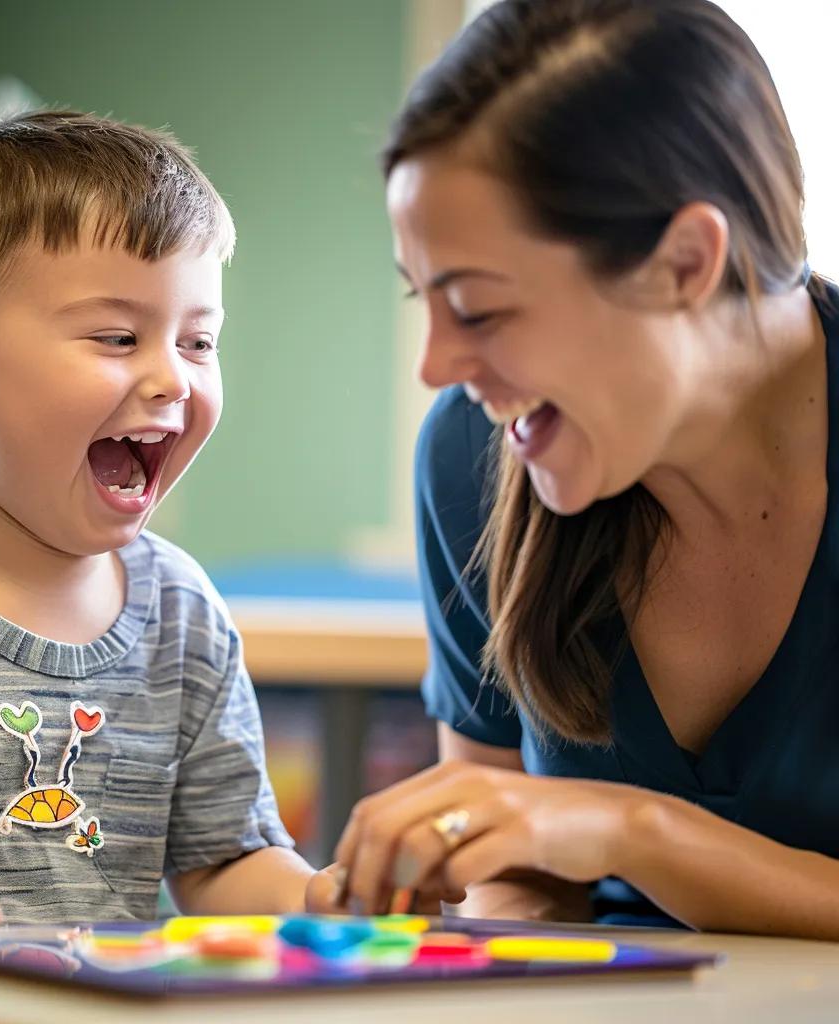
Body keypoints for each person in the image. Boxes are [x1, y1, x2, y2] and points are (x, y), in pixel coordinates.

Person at [333, 0, 839, 938]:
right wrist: (475, 908)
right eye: (423, 301)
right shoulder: (471, 453)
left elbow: (597, 830)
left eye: (479, 309)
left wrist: (631, 831)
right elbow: (518, 881)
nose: (436, 367)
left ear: (684, 262)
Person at [0, 110, 335, 956]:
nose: (174, 378)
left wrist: (336, 897)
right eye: (119, 337)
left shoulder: (184, 614)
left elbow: (225, 863)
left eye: (199, 341)